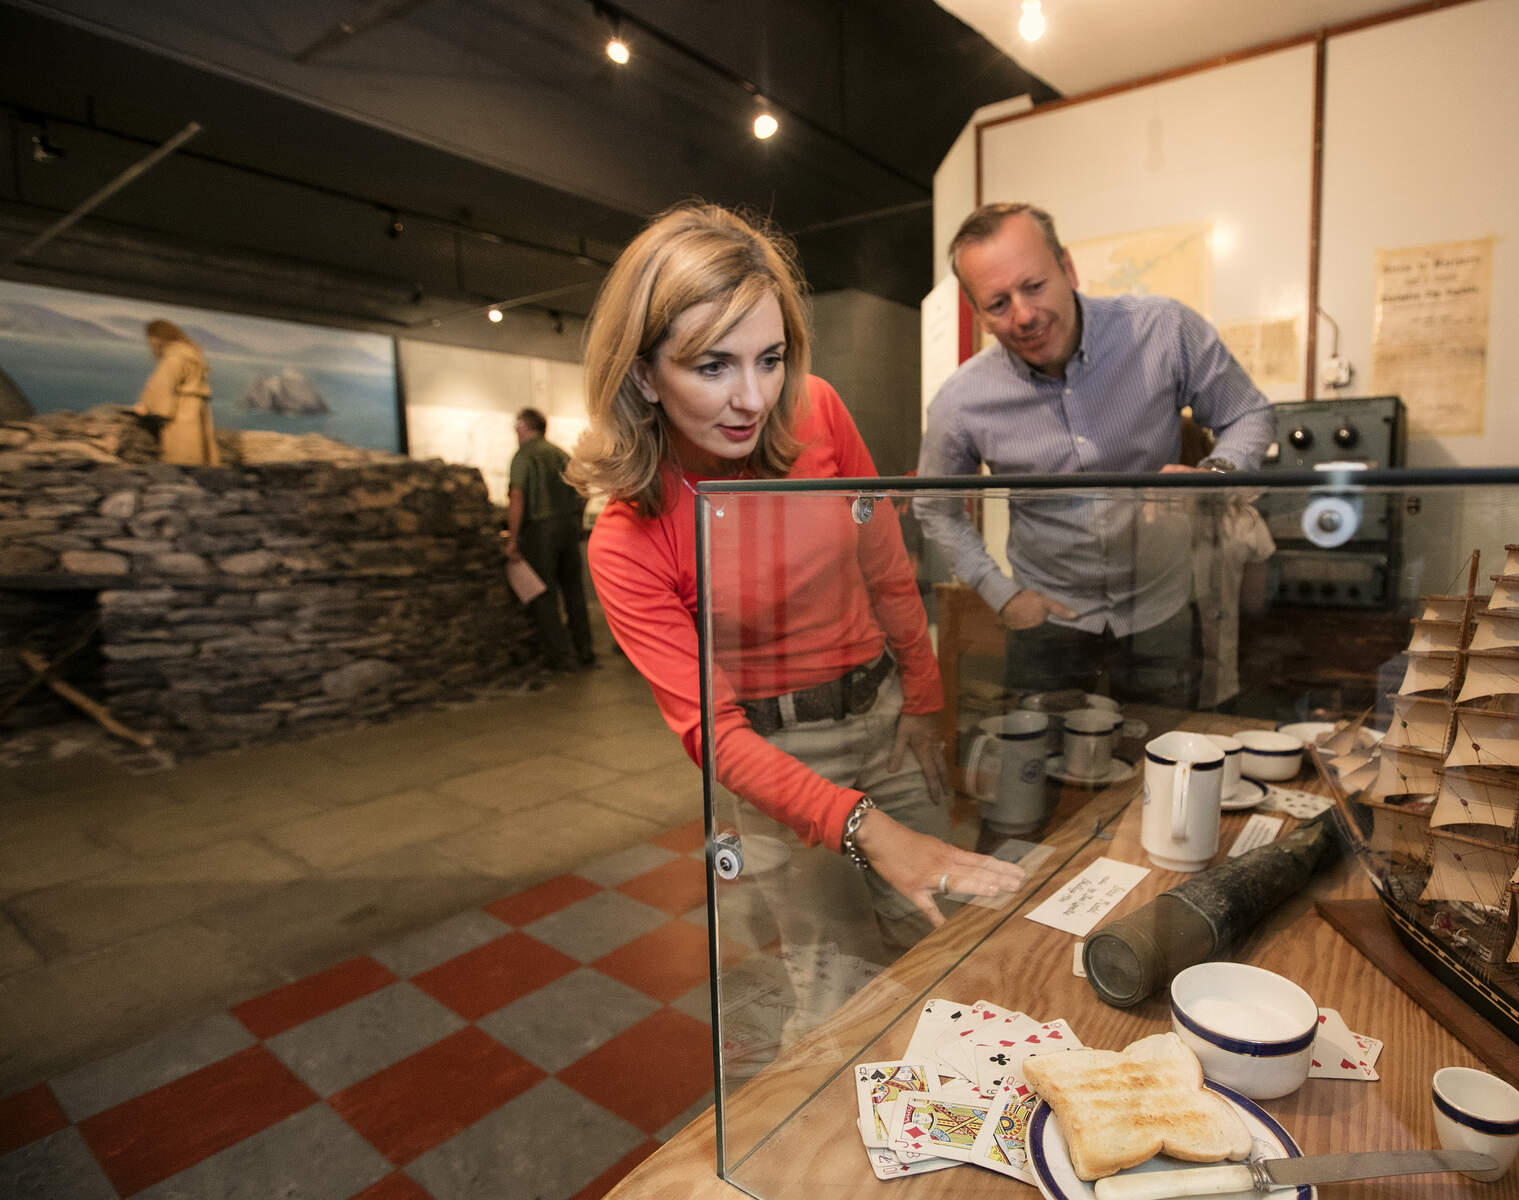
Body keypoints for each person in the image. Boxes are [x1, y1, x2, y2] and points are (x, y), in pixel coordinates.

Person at [568, 203, 1025, 946]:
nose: (754, 399)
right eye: (713, 365)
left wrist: (923, 697)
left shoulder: (818, 412)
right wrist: (861, 825)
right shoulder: (626, 539)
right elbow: (713, 733)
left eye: (770, 358)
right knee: (838, 999)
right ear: (645, 375)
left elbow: (886, 568)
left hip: (886, 718)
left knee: (945, 952)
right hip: (777, 755)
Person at [915, 202, 1276, 707]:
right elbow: (936, 507)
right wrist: (1002, 594)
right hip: (1047, 623)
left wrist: (1214, 475)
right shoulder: (961, 400)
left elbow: (1248, 414)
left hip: (1162, 610)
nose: (1023, 315)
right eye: (998, 303)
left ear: (1067, 268)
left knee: (1163, 768)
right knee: (1038, 778)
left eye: (1034, 286)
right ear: (979, 315)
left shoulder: (1165, 331)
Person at [506, 407, 595, 671]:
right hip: (568, 527)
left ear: (524, 426)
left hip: (541, 530)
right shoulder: (559, 453)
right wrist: (576, 520)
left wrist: (512, 539)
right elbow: (585, 490)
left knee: (543, 593)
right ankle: (585, 649)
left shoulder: (524, 455)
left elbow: (517, 496)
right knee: (573, 590)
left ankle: (560, 656)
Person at [134, 319, 220, 465]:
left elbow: (162, 386)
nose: (149, 342)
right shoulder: (191, 354)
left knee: (182, 454)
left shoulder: (175, 356)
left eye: (150, 337)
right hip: (197, 409)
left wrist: (148, 408)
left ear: (157, 337)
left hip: (182, 410)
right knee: (199, 450)